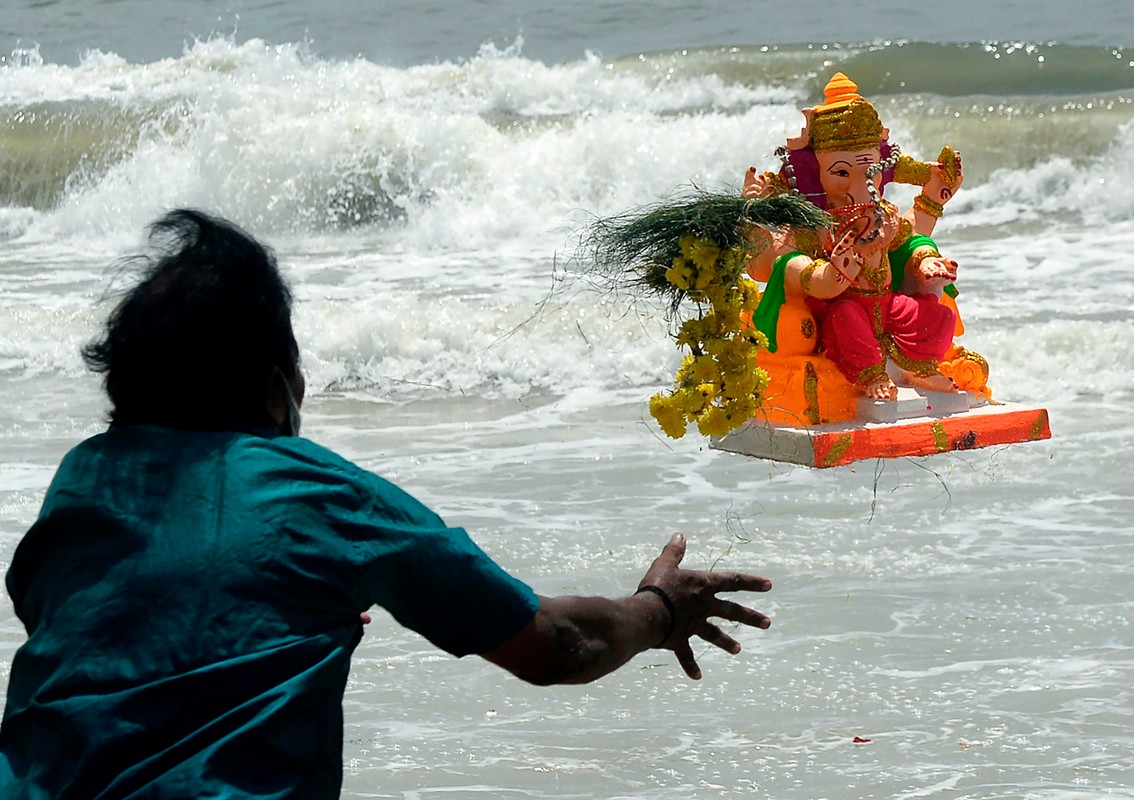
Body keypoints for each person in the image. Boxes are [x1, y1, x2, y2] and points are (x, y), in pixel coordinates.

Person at [0, 209, 772, 799]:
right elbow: (557, 645)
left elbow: (120, 641)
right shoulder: (315, 495)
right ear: (274, 392)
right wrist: (657, 609)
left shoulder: (82, 482)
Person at [743, 72, 966, 401]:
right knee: (845, 316)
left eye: (870, 172)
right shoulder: (814, 225)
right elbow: (782, 271)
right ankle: (871, 376)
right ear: (816, 174)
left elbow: (912, 236)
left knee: (940, 316)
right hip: (840, 311)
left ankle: (916, 369)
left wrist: (928, 241)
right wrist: (755, 212)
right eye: (841, 173)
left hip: (886, 306)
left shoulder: (884, 214)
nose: (859, 186)